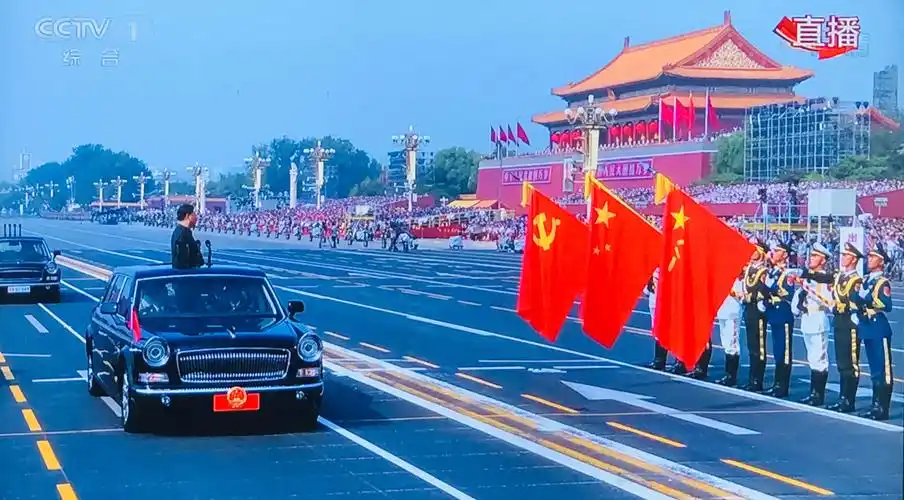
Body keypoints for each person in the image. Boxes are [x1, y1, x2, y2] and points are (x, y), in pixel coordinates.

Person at [852, 244, 894, 421]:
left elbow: (886, 304)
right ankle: (875, 405)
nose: (869, 260)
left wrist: (866, 298)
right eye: (869, 256)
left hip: (878, 326)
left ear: (881, 262)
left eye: (873, 257)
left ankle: (882, 408)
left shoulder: (882, 282)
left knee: (883, 370)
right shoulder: (867, 280)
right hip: (867, 326)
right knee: (874, 371)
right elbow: (856, 298)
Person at [792, 243, 833, 406]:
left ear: (823, 260)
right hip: (807, 320)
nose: (811, 258)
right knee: (812, 359)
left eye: (815, 256)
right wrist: (799, 300)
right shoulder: (807, 279)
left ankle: (818, 395)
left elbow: (830, 302)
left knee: (819, 359)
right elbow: (796, 304)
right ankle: (813, 393)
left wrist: (810, 290)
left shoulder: (825, 279)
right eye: (812, 255)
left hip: (818, 320)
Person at [762, 241, 798, 398]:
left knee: (784, 351)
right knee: (777, 351)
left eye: (777, 251)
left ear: (784, 255)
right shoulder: (773, 272)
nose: (774, 253)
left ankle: (782, 386)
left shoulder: (787, 273)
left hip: (783, 314)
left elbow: (787, 293)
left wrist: (770, 290)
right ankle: (777, 384)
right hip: (774, 314)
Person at [742, 240, 770, 392]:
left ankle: (757, 380)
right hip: (749, 309)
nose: (752, 252)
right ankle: (751, 378)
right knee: (751, 345)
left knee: (759, 346)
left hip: (758, 310)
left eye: (755, 250)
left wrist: (752, 297)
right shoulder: (749, 269)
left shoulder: (763, 271)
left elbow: (763, 291)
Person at [715, 272, 745, 386]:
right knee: (725, 342)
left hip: (733, 311)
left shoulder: (739, 275)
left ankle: (731, 376)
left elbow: (741, 294)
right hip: (722, 309)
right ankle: (727, 374)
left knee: (732, 344)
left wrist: (731, 291)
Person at [644, 269, 668, 371]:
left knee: (668, 329)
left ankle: (681, 362)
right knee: (657, 329)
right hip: (654, 298)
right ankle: (659, 360)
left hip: (666, 298)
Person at [171, 204, 204, 269]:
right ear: (187, 216)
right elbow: (182, 261)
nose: (196, 218)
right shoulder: (182, 234)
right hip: (186, 273)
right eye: (194, 215)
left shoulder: (183, 231)